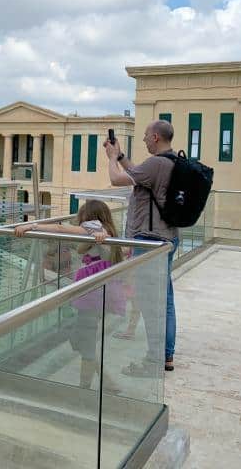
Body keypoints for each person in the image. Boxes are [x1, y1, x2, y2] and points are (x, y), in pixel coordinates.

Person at [15, 200, 125, 389]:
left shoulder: (94, 227)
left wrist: (31, 225)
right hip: (100, 293)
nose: (79, 222)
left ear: (88, 217)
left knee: (85, 342)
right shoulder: (106, 230)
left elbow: (60, 229)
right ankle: (106, 381)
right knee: (82, 339)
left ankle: (86, 388)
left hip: (92, 295)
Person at [103, 120, 179, 373]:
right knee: (165, 300)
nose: (144, 140)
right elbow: (139, 174)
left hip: (149, 240)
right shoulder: (170, 161)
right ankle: (165, 355)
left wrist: (112, 158)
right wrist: (122, 156)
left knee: (151, 304)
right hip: (166, 236)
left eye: (146, 136)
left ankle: (154, 360)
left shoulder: (156, 163)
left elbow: (116, 179)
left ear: (156, 137)